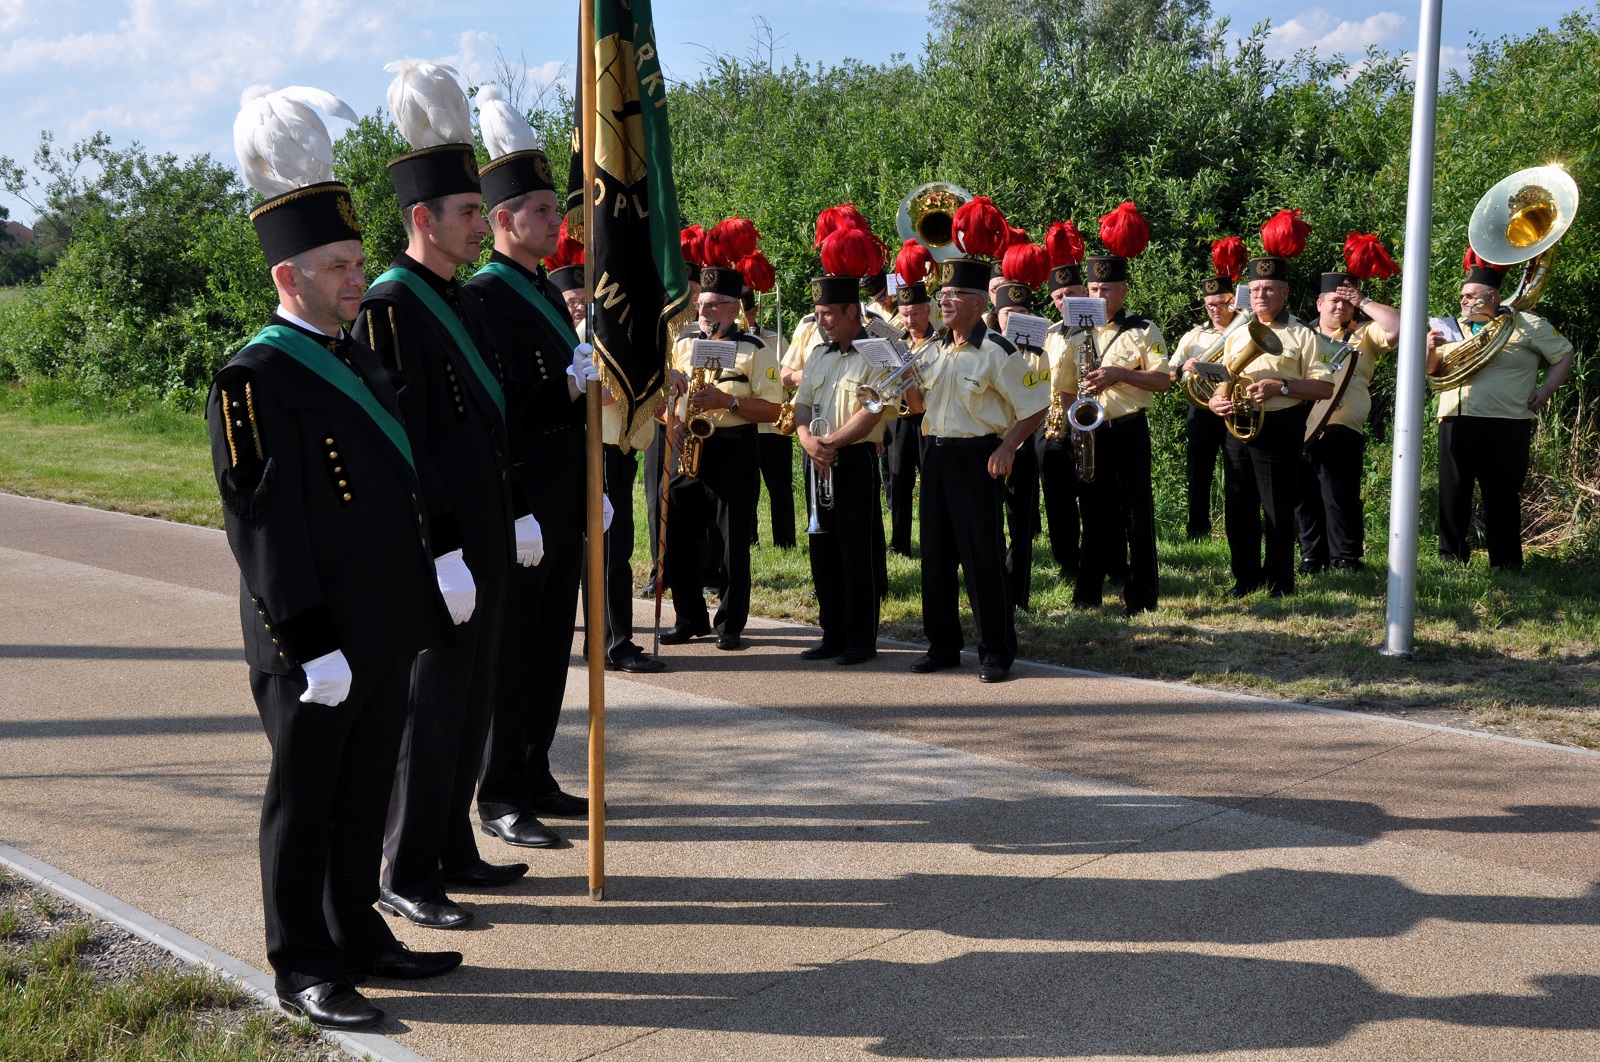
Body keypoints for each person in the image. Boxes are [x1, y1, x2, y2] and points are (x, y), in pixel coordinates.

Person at [213, 87, 462, 1030]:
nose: (359, 277)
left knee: (363, 795)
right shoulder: (253, 377)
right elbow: (263, 528)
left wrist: (438, 562)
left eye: (359, 261)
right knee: (305, 803)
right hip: (313, 638)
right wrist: (310, 641)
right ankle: (304, 965)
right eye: (340, 265)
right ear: (290, 275)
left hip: (382, 622)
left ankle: (359, 935)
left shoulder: (358, 356)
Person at [352, 63, 531, 921]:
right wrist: (444, 547)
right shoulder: (389, 309)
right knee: (431, 712)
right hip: (444, 549)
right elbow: (406, 446)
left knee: (472, 700)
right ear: (423, 218)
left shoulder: (458, 300)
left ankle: (449, 844)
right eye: (467, 213)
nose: (477, 224)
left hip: (488, 536)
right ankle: (404, 868)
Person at [466, 119, 612, 859]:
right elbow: (496, 409)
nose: (559, 223)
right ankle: (498, 791)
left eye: (558, 211)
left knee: (553, 642)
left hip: (564, 495)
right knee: (514, 649)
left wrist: (594, 481)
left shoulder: (542, 291)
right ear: (503, 219)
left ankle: (534, 769)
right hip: (522, 501)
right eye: (545, 212)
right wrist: (562, 386)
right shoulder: (486, 296)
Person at [914, 255, 1050, 683]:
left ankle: (996, 649)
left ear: (977, 302)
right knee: (935, 557)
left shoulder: (998, 351)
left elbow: (1037, 405)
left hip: (977, 458)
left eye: (954, 295)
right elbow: (919, 407)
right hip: (935, 454)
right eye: (943, 294)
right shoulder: (933, 348)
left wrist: (1009, 446)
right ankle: (942, 645)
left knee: (982, 558)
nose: (945, 301)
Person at [1208, 210, 1334, 597]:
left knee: (1278, 508)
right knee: (1238, 507)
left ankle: (1281, 581)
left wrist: (1281, 386)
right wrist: (1216, 400)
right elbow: (1220, 376)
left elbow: (1324, 389)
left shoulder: (1303, 335)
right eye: (1256, 288)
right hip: (1237, 426)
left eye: (1269, 288)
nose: (1260, 294)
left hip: (1280, 427)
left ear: (1285, 293)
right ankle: (1245, 579)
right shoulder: (1236, 332)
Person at [795, 262, 915, 663]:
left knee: (856, 551)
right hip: (818, 456)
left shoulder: (877, 352)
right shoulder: (818, 354)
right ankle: (831, 633)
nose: (822, 321)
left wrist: (829, 441)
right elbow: (802, 405)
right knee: (822, 550)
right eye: (819, 314)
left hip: (853, 456)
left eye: (828, 314)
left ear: (851, 312)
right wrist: (809, 441)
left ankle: (861, 640)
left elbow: (875, 409)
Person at [661, 260, 785, 649]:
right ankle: (689, 617)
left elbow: (772, 410)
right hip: (688, 443)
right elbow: (667, 397)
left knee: (731, 538)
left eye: (714, 305)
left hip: (734, 447)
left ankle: (730, 623)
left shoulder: (755, 349)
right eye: (702, 303)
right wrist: (673, 423)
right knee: (678, 535)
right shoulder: (682, 343)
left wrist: (727, 400)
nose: (704, 311)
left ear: (734, 308)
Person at [1426, 249, 1574, 570]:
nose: (1463, 300)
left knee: (1501, 495)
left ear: (1490, 296)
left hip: (1505, 421)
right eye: (1463, 295)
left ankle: (1505, 564)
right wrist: (1429, 350)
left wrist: (1546, 390)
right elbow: (1432, 371)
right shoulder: (1450, 327)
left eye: (1469, 295)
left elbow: (1564, 353)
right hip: (1454, 418)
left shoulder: (1527, 323)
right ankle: (1451, 559)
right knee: (1452, 494)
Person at [1056, 204, 1169, 614]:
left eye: (1107, 290)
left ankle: (1141, 597)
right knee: (1093, 513)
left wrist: (1120, 374)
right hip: (1089, 431)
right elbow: (1066, 385)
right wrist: (1075, 422)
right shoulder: (1073, 333)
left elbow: (1162, 379)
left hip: (1128, 428)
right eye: (1093, 289)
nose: (1099, 296)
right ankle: (1087, 594)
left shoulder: (1142, 329)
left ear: (1122, 291)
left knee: (1137, 514)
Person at [1296, 245, 1400, 573]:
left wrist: (1364, 302)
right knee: (1304, 497)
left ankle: (1346, 558)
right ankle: (1312, 557)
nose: (1340, 306)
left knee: (1340, 497)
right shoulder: (1302, 334)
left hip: (1343, 427)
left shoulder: (1364, 333)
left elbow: (1399, 327)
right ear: (1320, 304)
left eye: (1346, 300)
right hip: (1301, 424)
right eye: (1334, 300)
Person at [991, 245, 1052, 611]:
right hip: (989, 442)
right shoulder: (984, 347)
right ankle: (994, 587)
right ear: (996, 315)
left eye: (1022, 313)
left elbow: (1041, 399)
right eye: (1007, 313)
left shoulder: (1038, 353)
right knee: (989, 521)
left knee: (1021, 522)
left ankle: (1019, 595)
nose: (1013, 320)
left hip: (1023, 441)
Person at [1174, 238, 1246, 542]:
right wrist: (1185, 368)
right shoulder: (1194, 335)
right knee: (1198, 471)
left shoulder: (1246, 329)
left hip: (1236, 406)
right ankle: (1197, 527)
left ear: (1232, 301)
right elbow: (1170, 371)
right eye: (1210, 305)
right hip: (1202, 409)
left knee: (1238, 473)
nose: (1215, 309)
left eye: (1221, 303)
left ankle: (1237, 527)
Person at [1038, 248, 1089, 583]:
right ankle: (1068, 562)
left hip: (1091, 423)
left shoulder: (1096, 327)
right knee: (1057, 501)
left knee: (1099, 500)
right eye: (1058, 296)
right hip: (1055, 426)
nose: (1064, 301)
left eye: (1071, 294)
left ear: (1084, 293)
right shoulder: (1049, 332)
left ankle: (1110, 561)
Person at [744, 286, 798, 549]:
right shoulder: (733, 342)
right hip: (746, 423)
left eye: (746, 314)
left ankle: (785, 541)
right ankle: (749, 538)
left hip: (775, 426)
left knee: (780, 488)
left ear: (754, 312)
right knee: (747, 490)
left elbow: (786, 377)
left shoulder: (776, 339)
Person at [884, 277, 933, 556]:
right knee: (898, 478)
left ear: (927, 310)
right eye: (904, 315)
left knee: (929, 481)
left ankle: (930, 539)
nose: (910, 320)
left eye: (915, 313)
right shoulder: (895, 341)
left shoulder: (938, 342)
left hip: (927, 417)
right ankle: (899, 543)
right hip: (899, 418)